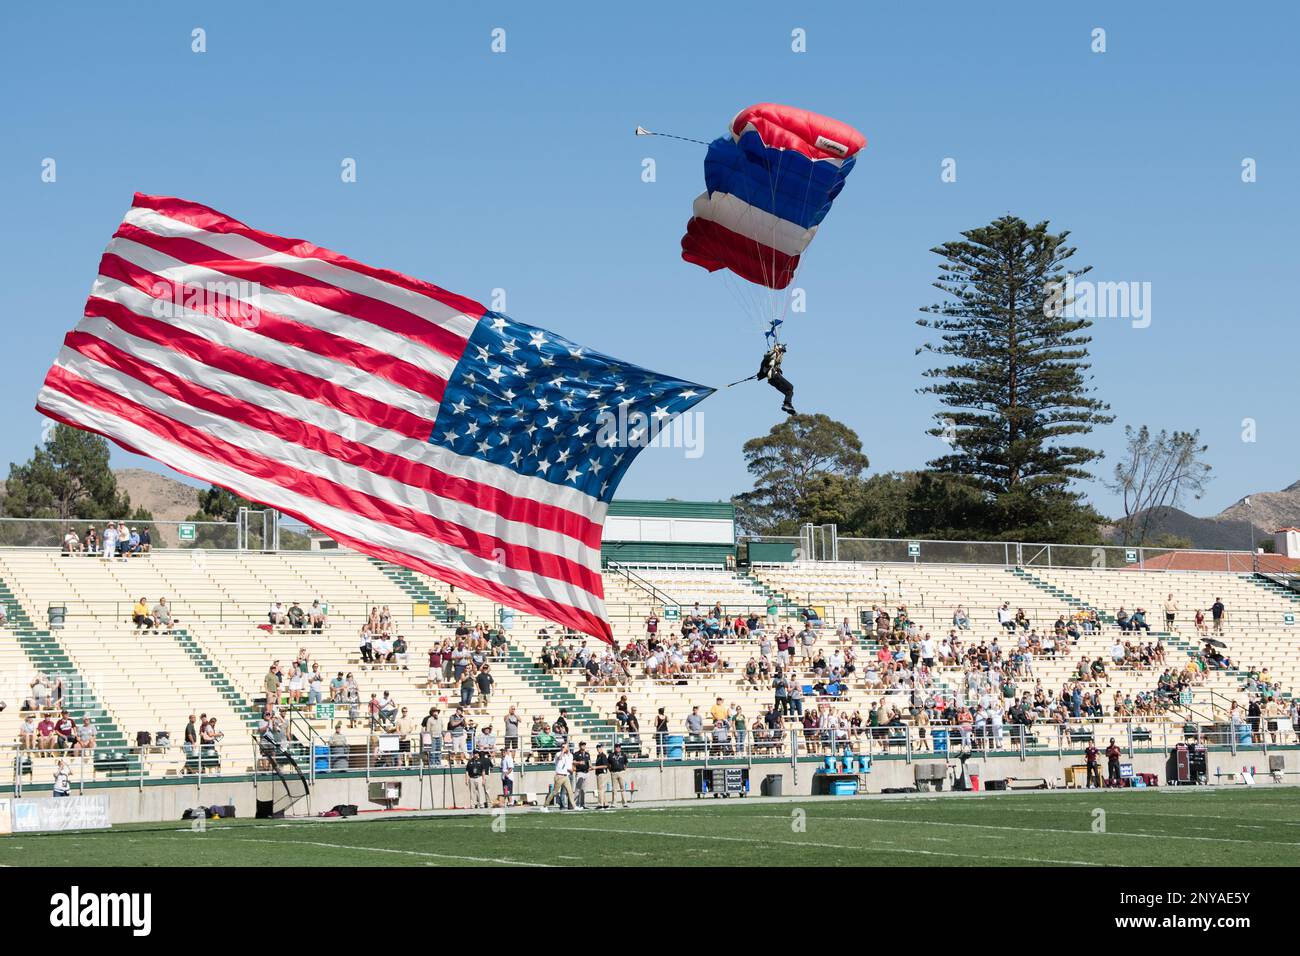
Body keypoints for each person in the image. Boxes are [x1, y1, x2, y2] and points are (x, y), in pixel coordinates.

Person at [757, 341, 796, 415]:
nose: (782, 354)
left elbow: (775, 363)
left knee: (789, 392)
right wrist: (774, 351)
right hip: (774, 376)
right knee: (790, 387)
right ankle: (787, 404)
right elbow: (766, 356)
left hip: (772, 381)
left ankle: (787, 405)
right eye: (782, 351)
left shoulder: (776, 360)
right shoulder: (771, 356)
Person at [544, 743, 576, 810]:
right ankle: (545, 805)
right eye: (562, 747)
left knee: (570, 792)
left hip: (566, 776)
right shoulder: (558, 754)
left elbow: (570, 763)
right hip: (559, 776)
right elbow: (560, 758)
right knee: (555, 792)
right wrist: (563, 751)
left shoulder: (569, 755)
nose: (564, 748)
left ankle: (574, 806)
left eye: (565, 747)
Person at [607, 743, 630, 807]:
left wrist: (624, 769)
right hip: (614, 773)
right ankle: (614, 803)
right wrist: (610, 770)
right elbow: (608, 763)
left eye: (619, 747)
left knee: (622, 788)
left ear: (620, 748)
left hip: (621, 772)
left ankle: (624, 802)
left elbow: (626, 762)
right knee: (614, 789)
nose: (618, 748)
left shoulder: (623, 754)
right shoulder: (611, 755)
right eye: (616, 747)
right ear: (614, 748)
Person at [572, 741, 592, 809]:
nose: (583, 746)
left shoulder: (587, 754)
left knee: (584, 790)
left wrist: (591, 767)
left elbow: (589, 763)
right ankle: (572, 804)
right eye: (582, 745)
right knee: (578, 789)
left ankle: (582, 804)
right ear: (579, 746)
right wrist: (579, 762)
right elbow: (573, 762)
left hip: (586, 772)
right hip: (580, 772)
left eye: (584, 745)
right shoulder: (576, 754)